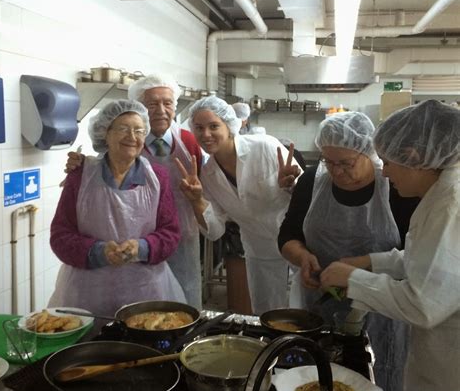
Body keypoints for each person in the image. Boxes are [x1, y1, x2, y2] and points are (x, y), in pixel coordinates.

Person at [320, 100, 460, 391]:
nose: (385, 174)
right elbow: (429, 259)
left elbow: (424, 304)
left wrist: (355, 279)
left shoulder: (451, 203)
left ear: (414, 158)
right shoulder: (441, 191)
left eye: (389, 163)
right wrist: (371, 261)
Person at [278, 111, 419, 391]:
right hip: (320, 302)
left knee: (377, 383)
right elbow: (288, 236)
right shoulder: (311, 183)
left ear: (368, 151)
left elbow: (415, 255)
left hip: (382, 308)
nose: (336, 171)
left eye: (346, 163)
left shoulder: (396, 185)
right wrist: (303, 257)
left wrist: (362, 268)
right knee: (321, 385)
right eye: (329, 161)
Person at [66, 74, 204, 309]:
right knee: (141, 305)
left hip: (181, 237)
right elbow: (101, 174)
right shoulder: (127, 142)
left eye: (168, 103)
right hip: (132, 239)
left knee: (185, 300)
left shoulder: (190, 141)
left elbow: (206, 181)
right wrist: (78, 166)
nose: (161, 110)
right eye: (152, 104)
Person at [49, 100, 185, 317]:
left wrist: (141, 248)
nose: (132, 137)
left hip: (145, 292)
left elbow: (170, 233)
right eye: (123, 129)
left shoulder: (157, 177)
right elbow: (60, 235)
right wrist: (98, 252)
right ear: (105, 134)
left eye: (139, 130)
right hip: (87, 294)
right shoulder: (81, 175)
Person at [176, 95, 302, 315]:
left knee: (307, 309)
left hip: (299, 242)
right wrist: (197, 201)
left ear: (230, 125)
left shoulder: (265, 147)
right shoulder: (208, 174)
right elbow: (215, 231)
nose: (206, 134)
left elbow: (307, 197)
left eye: (213, 126)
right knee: (268, 314)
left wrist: (290, 186)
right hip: (260, 250)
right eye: (199, 128)